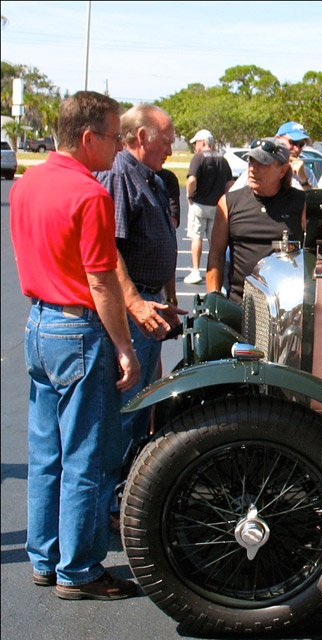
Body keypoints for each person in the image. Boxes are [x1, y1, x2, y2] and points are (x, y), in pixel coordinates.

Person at [10, 91, 141, 600]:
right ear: (88, 138)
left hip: (38, 323)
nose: (118, 146)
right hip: (77, 329)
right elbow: (101, 281)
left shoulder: (27, 183)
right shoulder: (90, 194)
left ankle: (44, 558)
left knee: (46, 452)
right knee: (85, 455)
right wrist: (125, 346)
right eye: (113, 136)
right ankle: (80, 569)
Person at [95, 104, 186, 469]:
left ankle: (125, 486)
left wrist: (167, 298)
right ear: (143, 137)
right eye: (166, 141)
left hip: (151, 304)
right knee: (123, 413)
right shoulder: (119, 176)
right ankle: (111, 491)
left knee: (141, 409)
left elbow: (161, 240)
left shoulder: (153, 179)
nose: (171, 150)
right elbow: (108, 250)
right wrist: (136, 304)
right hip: (131, 312)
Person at [207, 138, 306, 303]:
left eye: (262, 164)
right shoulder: (228, 203)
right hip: (239, 304)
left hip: (286, 306)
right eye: (251, 162)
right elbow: (216, 255)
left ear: (282, 170)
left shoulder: (301, 203)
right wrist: (213, 300)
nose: (253, 169)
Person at [183, 129, 233, 284]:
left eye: (196, 143)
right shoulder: (222, 159)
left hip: (199, 204)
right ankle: (215, 270)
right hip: (217, 205)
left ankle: (196, 271)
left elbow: (192, 180)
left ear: (203, 142)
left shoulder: (199, 158)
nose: (195, 147)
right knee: (215, 240)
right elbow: (230, 183)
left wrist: (190, 195)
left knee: (196, 236)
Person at [229, 120, 315, 191]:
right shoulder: (260, 168)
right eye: (293, 142)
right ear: (277, 139)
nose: (297, 149)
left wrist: (304, 181)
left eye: (302, 145)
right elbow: (232, 199)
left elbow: (315, 203)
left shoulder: (306, 174)